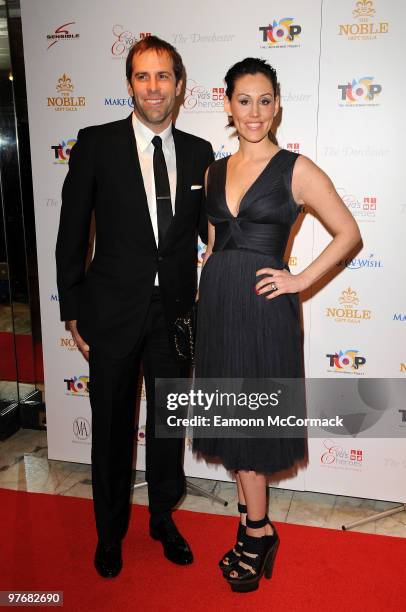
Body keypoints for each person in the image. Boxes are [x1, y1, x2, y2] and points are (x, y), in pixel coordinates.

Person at [193, 58, 361, 593]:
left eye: (266, 100)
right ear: (227, 104)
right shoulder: (213, 172)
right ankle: (250, 517)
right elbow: (218, 240)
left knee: (253, 423)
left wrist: (299, 280)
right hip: (220, 306)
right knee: (231, 416)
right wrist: (210, 279)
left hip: (265, 312)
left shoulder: (296, 169)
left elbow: (348, 233)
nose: (255, 112)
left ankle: (258, 532)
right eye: (244, 100)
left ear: (278, 105)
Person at [56, 36, 214, 578]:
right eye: (143, 77)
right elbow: (72, 231)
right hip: (111, 311)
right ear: (129, 85)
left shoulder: (199, 153)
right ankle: (109, 532)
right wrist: (71, 308)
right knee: (112, 429)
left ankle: (162, 518)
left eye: (163, 76)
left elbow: (209, 235)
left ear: (179, 85)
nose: (153, 87)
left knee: (168, 426)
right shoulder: (96, 143)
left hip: (174, 314)